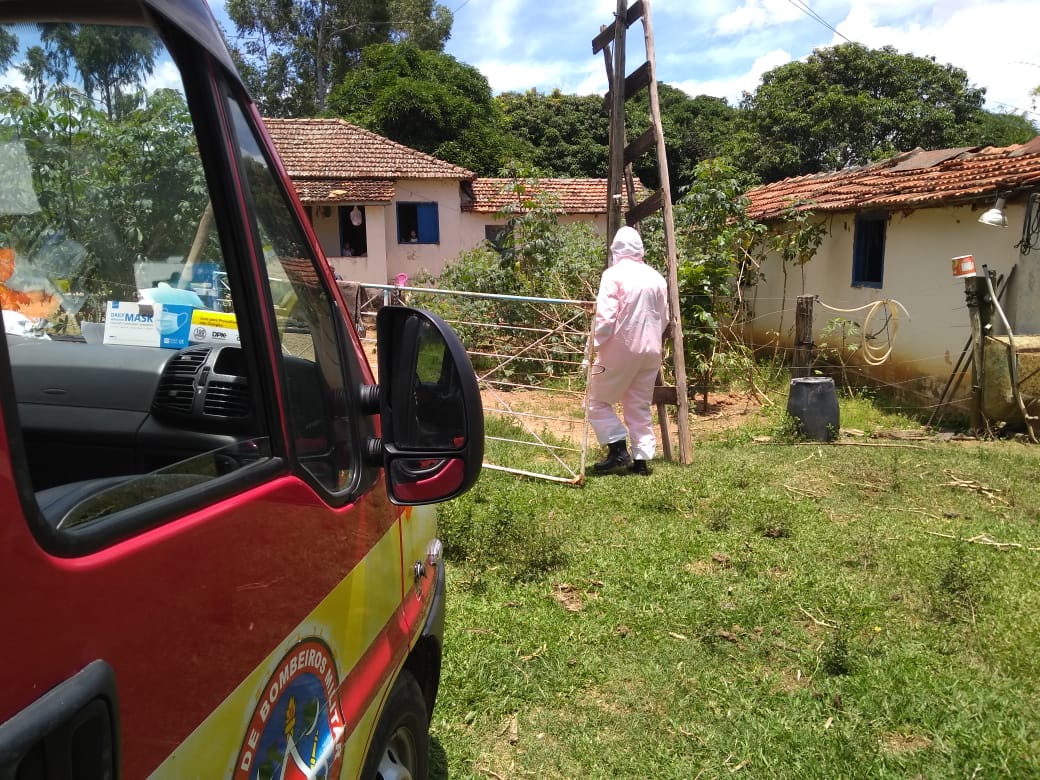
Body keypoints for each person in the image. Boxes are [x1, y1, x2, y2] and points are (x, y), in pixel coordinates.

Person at [587, 226, 669, 476]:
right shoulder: (656, 277)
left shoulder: (613, 275)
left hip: (621, 347)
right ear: (640, 249)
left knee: (595, 400)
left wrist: (593, 346)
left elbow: (605, 317)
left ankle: (617, 448)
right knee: (638, 404)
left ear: (616, 250)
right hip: (651, 349)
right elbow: (664, 317)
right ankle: (642, 460)